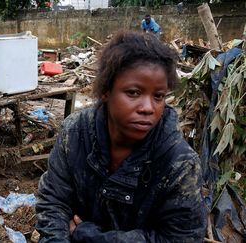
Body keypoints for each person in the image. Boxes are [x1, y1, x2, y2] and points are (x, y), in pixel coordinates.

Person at [36, 31, 206, 242]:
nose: (148, 108)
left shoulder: (179, 164)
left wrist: (91, 236)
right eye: (133, 93)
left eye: (158, 96)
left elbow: (182, 238)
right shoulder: (76, 134)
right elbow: (53, 202)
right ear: (106, 91)